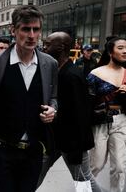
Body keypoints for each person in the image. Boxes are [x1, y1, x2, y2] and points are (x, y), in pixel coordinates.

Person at [0, 5, 58, 192]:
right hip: (1, 149)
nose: (32, 35)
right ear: (13, 30)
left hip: (33, 150)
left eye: (36, 29)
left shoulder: (49, 64)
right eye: (25, 29)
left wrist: (53, 109)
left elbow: (53, 97)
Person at [42, 31, 102, 192]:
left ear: (61, 47)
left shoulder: (72, 75)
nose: (44, 47)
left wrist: (77, 150)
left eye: (48, 44)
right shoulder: (58, 70)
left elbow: (81, 116)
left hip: (72, 143)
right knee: (33, 175)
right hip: (55, 139)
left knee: (84, 181)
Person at [87, 36, 126, 192]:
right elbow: (87, 100)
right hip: (100, 122)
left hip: (121, 120)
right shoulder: (96, 73)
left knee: (120, 166)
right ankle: (84, 188)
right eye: (121, 48)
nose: (125, 51)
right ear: (111, 52)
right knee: (96, 164)